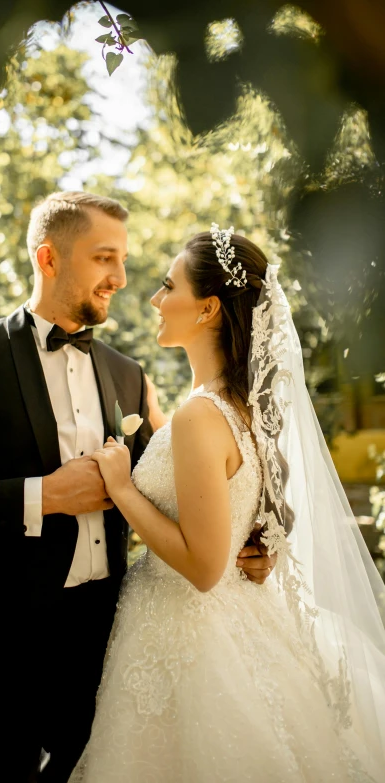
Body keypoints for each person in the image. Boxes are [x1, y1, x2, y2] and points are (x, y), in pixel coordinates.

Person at [0, 194, 273, 783]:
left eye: (123, 259)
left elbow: (177, 488)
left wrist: (247, 540)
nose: (120, 278)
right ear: (48, 258)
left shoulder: (127, 373)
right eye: (104, 259)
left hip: (109, 644)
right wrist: (43, 495)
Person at [69, 226, 385, 782]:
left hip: (189, 637)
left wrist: (120, 487)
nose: (154, 299)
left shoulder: (201, 416)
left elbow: (204, 567)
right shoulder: (239, 408)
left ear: (209, 307)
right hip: (234, 621)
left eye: (168, 287)